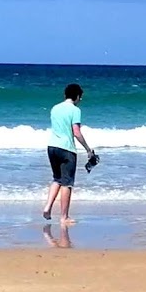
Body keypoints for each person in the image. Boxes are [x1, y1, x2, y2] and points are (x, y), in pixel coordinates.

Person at [42, 83, 96, 225]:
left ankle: (47, 208)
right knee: (67, 183)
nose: (81, 100)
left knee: (57, 179)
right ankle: (64, 217)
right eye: (80, 97)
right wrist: (88, 149)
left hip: (52, 147)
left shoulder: (55, 108)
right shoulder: (75, 110)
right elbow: (76, 132)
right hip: (67, 149)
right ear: (77, 96)